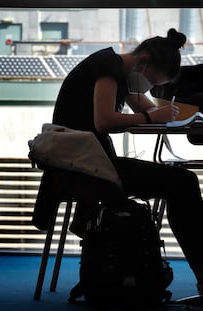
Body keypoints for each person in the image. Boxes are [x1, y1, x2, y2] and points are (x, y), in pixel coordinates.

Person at [52, 28, 203, 295]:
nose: (151, 86)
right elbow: (104, 120)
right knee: (183, 182)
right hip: (87, 166)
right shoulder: (108, 69)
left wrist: (174, 114)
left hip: (90, 160)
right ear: (143, 61)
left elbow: (144, 107)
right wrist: (151, 118)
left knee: (181, 181)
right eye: (154, 81)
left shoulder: (120, 71)